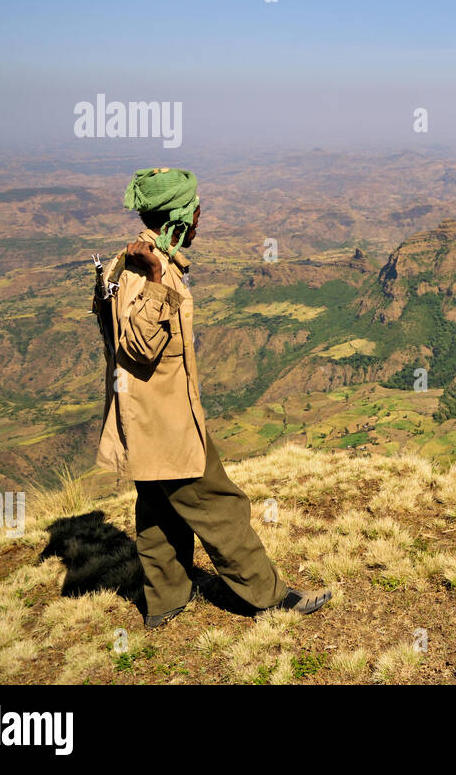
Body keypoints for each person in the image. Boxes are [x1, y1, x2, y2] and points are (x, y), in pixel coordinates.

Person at [93, 167, 331, 627]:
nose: (201, 217)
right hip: (165, 424)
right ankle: (269, 597)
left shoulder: (131, 262)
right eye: (195, 209)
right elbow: (138, 348)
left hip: (147, 422)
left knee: (159, 513)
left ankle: (164, 603)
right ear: (178, 217)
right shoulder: (148, 270)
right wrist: (160, 278)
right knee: (220, 505)